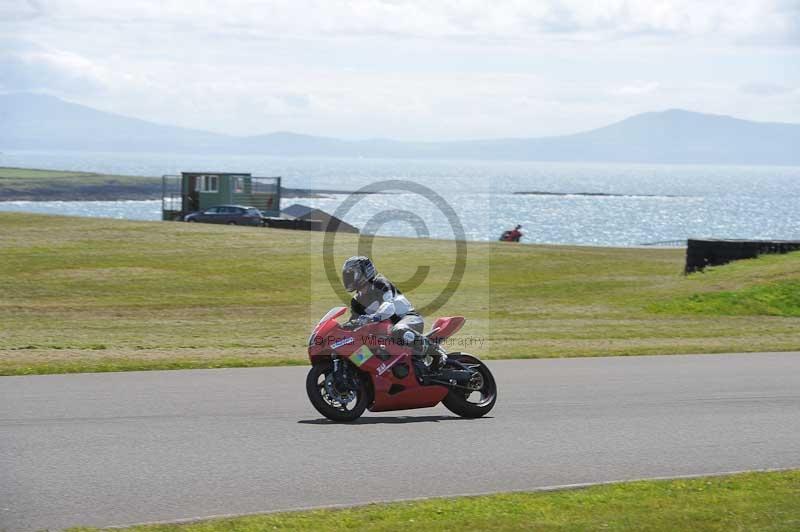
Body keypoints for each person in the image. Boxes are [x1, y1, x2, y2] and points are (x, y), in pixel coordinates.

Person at [341, 256, 438, 369]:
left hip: (406, 319)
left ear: (364, 273)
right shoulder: (356, 301)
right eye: (346, 275)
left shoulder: (379, 284)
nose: (348, 279)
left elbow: (389, 306)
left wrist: (373, 318)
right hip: (384, 332)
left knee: (399, 330)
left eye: (351, 274)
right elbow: (354, 322)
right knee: (358, 356)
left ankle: (435, 352)